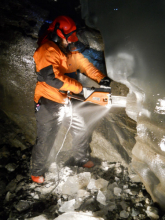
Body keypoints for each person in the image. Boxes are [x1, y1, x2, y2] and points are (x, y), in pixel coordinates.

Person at [31, 15, 111, 183]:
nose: (69, 42)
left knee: (80, 128)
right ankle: (36, 171)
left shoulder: (67, 50)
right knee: (46, 138)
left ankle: (81, 159)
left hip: (65, 100)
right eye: (67, 39)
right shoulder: (46, 50)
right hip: (48, 101)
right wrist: (81, 88)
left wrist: (101, 78)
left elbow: (83, 64)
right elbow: (53, 79)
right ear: (57, 34)